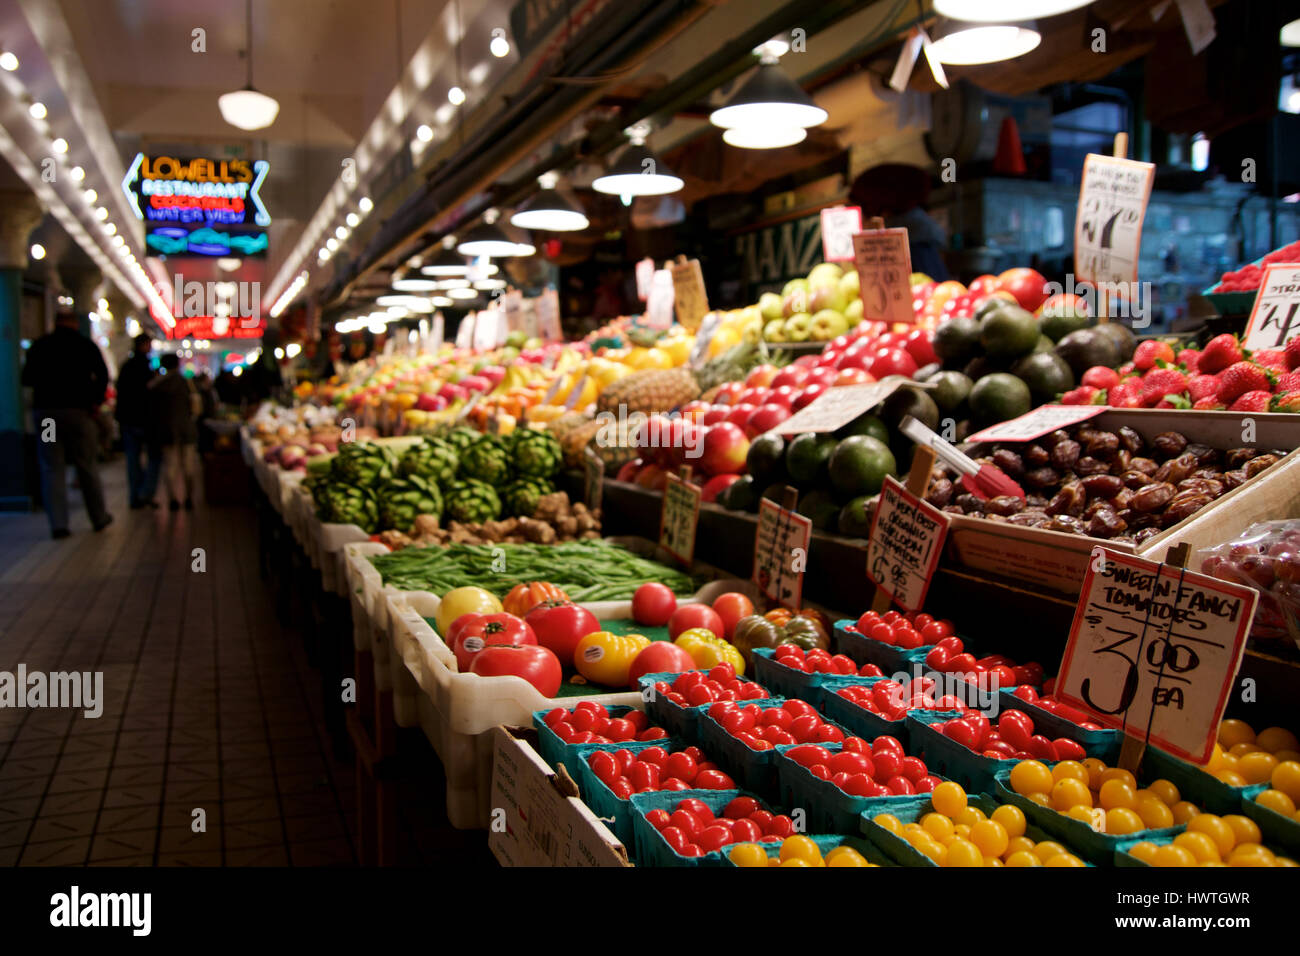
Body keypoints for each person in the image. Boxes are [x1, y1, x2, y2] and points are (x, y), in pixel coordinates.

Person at [21, 309, 113, 538]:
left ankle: (58, 525)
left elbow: (27, 378)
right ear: (74, 323)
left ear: (55, 322)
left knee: (53, 467)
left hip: (49, 416)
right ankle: (99, 517)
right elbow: (102, 377)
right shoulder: (85, 346)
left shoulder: (40, 346)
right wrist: (94, 401)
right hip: (78, 414)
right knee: (86, 464)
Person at [115, 334, 162, 508]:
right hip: (145, 420)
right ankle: (145, 493)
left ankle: (136, 496)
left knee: (133, 459)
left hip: (128, 420)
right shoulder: (145, 368)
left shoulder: (127, 366)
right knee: (154, 458)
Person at [149, 353, 200, 510]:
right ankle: (189, 498)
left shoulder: (157, 385)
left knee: (170, 466)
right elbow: (196, 407)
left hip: (166, 431)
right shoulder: (187, 383)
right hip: (186, 428)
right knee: (188, 466)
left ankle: (172, 500)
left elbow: (152, 411)